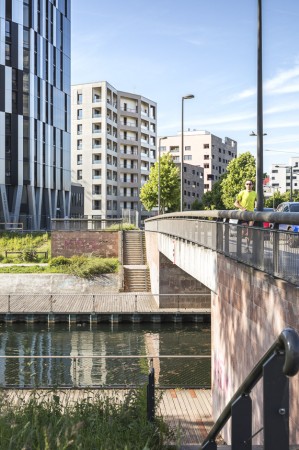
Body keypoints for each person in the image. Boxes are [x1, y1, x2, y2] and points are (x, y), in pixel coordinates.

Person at [234, 180, 257, 251]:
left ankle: (247, 246)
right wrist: (242, 208)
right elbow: (235, 203)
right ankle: (239, 244)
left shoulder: (254, 193)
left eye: (250, 184)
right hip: (243, 214)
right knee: (244, 231)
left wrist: (255, 208)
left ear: (252, 185)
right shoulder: (242, 192)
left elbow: (256, 202)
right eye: (247, 184)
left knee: (250, 230)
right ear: (245, 185)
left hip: (251, 214)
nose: (248, 185)